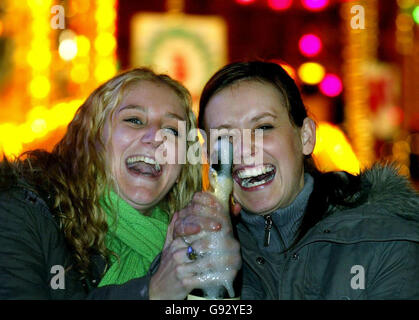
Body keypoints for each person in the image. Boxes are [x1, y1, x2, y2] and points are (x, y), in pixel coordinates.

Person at [0, 67, 240, 299]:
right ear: (91, 136)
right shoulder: (23, 212)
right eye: (135, 120)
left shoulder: (192, 240)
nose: (156, 138)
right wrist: (152, 291)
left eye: (172, 130)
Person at [197, 60, 419, 299]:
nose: (243, 150)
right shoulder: (197, 249)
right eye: (224, 136)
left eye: (263, 127)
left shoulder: (386, 241)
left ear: (306, 137)